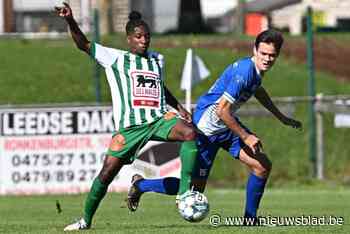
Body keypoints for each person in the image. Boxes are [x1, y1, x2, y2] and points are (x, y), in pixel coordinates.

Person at [128, 29, 302, 224]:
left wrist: (281, 117)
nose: (268, 59)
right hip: (206, 130)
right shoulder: (244, 71)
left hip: (224, 127)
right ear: (255, 50)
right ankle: (141, 184)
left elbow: (258, 90)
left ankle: (250, 219)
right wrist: (246, 136)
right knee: (193, 190)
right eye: (264, 53)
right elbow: (222, 111)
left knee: (261, 166)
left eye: (272, 55)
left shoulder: (255, 72)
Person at [55, 3, 198, 231]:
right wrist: (71, 20)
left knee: (190, 132)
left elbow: (160, 87)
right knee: (107, 173)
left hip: (159, 118)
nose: (144, 40)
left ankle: (183, 195)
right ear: (129, 39)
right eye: (139, 37)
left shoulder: (156, 59)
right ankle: (85, 220)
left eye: (147, 37)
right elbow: (83, 44)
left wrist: (179, 107)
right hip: (130, 127)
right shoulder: (114, 58)